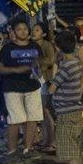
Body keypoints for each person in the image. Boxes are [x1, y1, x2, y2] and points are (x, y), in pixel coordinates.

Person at [0, 19, 43, 164]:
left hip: (32, 85)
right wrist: (16, 70)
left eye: (25, 28)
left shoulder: (35, 46)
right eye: (19, 29)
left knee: (33, 117)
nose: (23, 31)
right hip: (12, 87)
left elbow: (40, 63)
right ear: (14, 32)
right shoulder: (8, 49)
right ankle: (12, 151)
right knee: (15, 119)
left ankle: (29, 148)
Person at [48, 30, 83, 164]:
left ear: (58, 47)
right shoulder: (77, 63)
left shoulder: (65, 66)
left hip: (66, 113)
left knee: (70, 153)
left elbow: (52, 88)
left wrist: (56, 65)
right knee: (75, 151)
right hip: (75, 110)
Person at [30, 21, 57, 152]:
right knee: (40, 113)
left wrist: (38, 60)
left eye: (37, 30)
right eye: (33, 30)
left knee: (46, 111)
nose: (34, 32)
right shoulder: (30, 46)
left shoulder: (46, 45)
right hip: (34, 81)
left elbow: (51, 60)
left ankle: (51, 141)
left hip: (44, 80)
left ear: (44, 33)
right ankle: (45, 140)